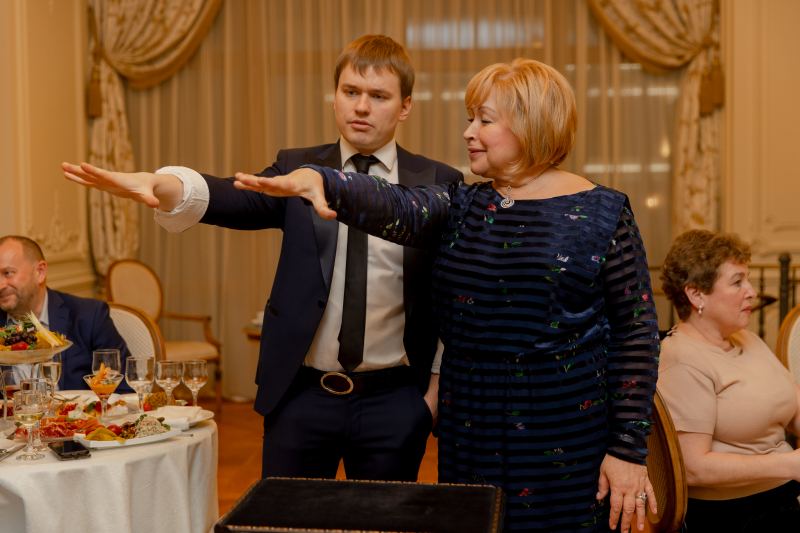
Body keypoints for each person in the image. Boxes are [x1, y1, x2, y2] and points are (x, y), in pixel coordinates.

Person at [233, 58, 660, 533]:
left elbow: (636, 336)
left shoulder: (603, 213)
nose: (468, 132)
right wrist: (324, 180)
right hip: (469, 433)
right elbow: (397, 205)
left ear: (530, 126)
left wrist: (627, 449)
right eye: (470, 118)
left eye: (484, 120)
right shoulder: (463, 203)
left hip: (564, 438)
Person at [63, 35, 462, 481]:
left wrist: (428, 399)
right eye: (350, 91)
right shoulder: (297, 167)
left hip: (395, 402)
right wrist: (162, 184)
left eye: (379, 96)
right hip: (301, 398)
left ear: (405, 106)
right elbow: (236, 198)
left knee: (382, 519)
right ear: (335, 96)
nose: (361, 107)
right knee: (283, 516)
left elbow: (454, 298)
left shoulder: (437, 181)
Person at [658, 229, 800, 532]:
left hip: (784, 496)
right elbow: (693, 468)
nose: (752, 291)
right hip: (734, 515)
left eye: (747, 279)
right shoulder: (682, 358)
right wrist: (789, 465)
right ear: (696, 295)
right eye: (738, 282)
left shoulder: (746, 338)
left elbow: (794, 407)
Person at [0, 236, 132, 392]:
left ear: (40, 272)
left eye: (8, 273)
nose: (1, 285)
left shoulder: (89, 315)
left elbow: (124, 389)